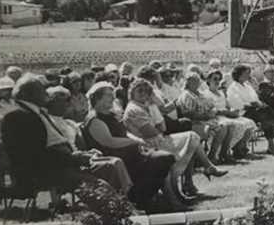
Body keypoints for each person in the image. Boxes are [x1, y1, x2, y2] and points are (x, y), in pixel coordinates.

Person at [123, 78, 227, 205]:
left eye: (147, 92)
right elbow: (153, 132)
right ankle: (204, 170)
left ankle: (190, 182)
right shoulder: (134, 109)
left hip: (157, 141)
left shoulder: (146, 106)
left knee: (192, 138)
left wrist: (154, 105)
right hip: (149, 146)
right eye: (139, 91)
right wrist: (156, 124)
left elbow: (162, 128)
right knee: (192, 138)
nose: (143, 94)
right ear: (132, 92)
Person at [0, 74, 105, 196]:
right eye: (41, 89)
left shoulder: (32, 112)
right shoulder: (18, 116)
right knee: (95, 183)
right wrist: (73, 159)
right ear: (29, 93)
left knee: (104, 172)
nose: (46, 93)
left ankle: (118, 209)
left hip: (51, 165)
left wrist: (75, 156)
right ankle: (115, 211)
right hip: (37, 173)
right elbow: (36, 154)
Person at [82, 82, 178, 212]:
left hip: (132, 156)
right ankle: (140, 199)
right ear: (98, 98)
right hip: (117, 159)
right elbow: (109, 142)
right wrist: (134, 143)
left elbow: (124, 133)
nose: (113, 98)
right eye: (109, 95)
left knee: (166, 158)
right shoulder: (94, 120)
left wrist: (138, 140)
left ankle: (147, 198)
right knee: (162, 159)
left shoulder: (110, 115)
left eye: (113, 95)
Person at [46, 85, 132, 195]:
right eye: (65, 100)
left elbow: (78, 146)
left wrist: (89, 152)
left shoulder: (69, 123)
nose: (69, 104)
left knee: (116, 162)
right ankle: (118, 198)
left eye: (69, 100)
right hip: (71, 164)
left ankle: (122, 197)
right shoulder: (49, 123)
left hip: (81, 158)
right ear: (53, 102)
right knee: (113, 164)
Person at [227, 64, 274, 155]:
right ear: (239, 74)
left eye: (249, 73)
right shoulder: (233, 87)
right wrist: (252, 104)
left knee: (265, 115)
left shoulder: (247, 86)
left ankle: (272, 143)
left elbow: (255, 98)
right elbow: (236, 103)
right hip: (242, 112)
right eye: (246, 73)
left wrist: (258, 103)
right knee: (265, 114)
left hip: (255, 112)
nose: (248, 75)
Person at [203, 70, 255, 161]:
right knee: (229, 125)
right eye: (215, 79)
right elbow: (209, 110)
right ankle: (221, 153)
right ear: (208, 80)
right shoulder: (205, 94)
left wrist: (232, 110)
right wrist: (226, 112)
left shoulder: (221, 93)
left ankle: (238, 149)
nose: (217, 81)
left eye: (219, 79)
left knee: (249, 123)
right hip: (215, 117)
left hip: (225, 116)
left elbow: (227, 106)